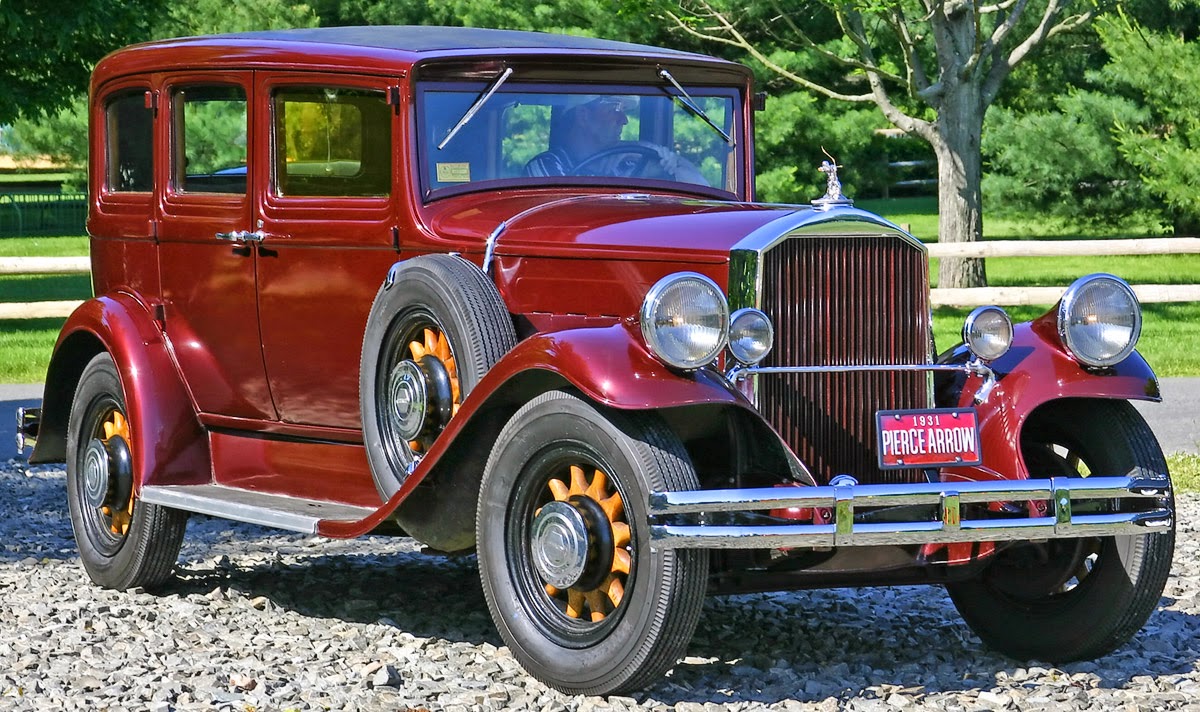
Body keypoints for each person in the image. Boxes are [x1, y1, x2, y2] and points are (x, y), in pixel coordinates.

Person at [524, 96, 707, 185]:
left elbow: (700, 187)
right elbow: (572, 214)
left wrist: (662, 158)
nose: (624, 120)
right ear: (583, 116)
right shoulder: (546, 165)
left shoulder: (628, 163)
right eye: (615, 109)